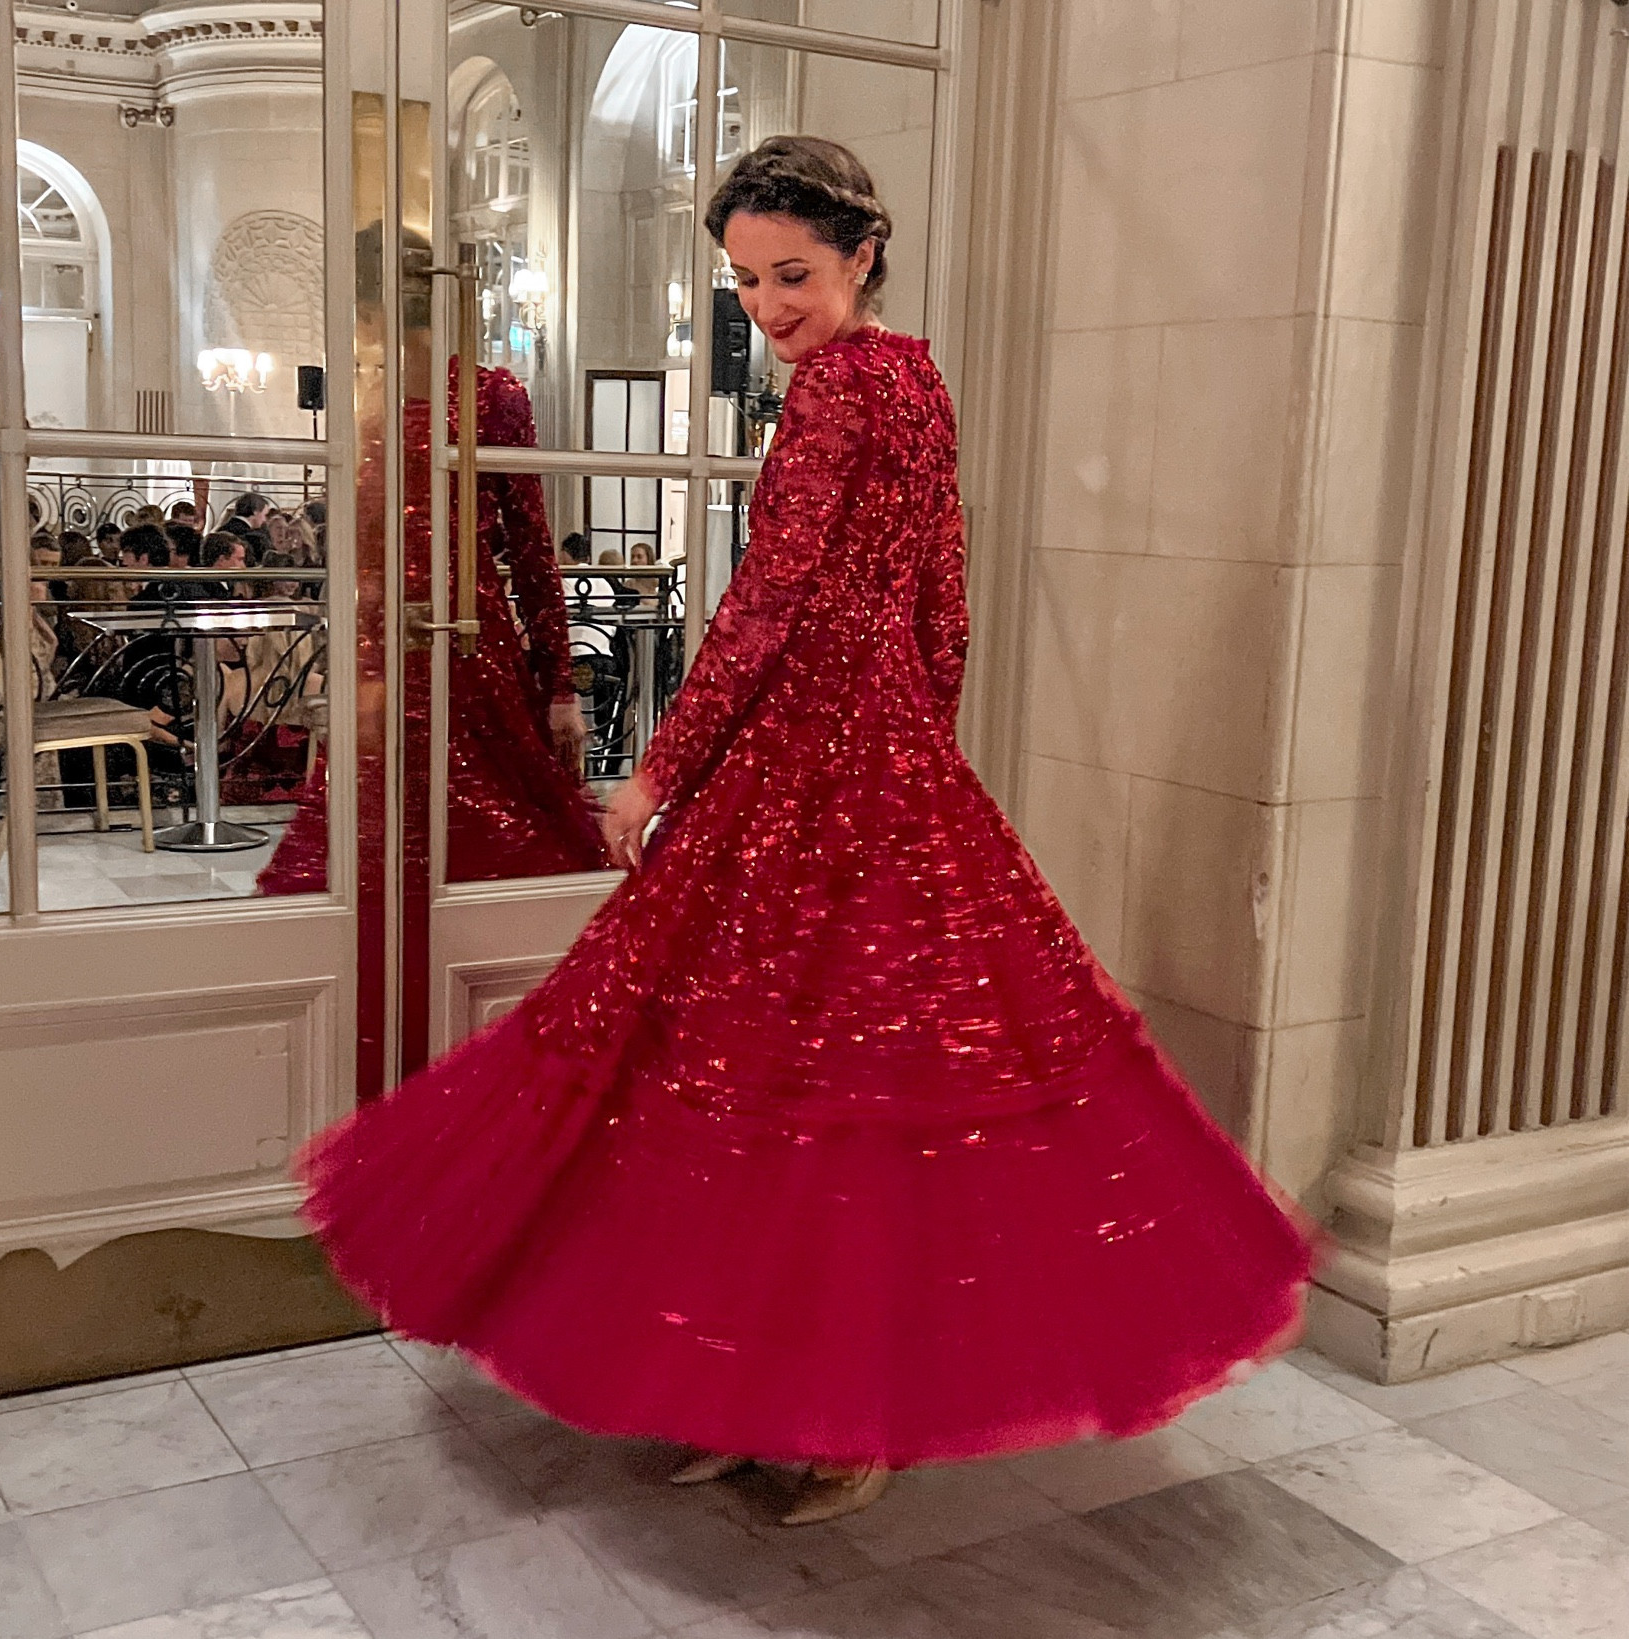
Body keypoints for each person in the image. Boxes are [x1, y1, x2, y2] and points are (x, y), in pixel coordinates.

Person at [297, 137, 1315, 1527]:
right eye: (742, 282)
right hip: (864, 757)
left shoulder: (840, 390)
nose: (767, 307)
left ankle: (824, 1411)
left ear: (861, 255)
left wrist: (654, 773)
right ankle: (773, 1396)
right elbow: (941, 594)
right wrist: (922, 739)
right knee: (808, 1083)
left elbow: (772, 600)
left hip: (818, 763)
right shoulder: (917, 374)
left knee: (769, 1079)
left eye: (791, 275)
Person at [258, 300, 604, 892]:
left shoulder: (489, 394)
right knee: (369, 837)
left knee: (488, 839)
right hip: (382, 646)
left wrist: (560, 683)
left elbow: (530, 545)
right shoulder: (364, 397)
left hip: (467, 644)